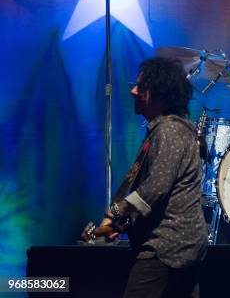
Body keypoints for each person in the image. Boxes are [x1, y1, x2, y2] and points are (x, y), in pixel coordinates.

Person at [82, 57, 206, 298]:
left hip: (168, 245)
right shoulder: (166, 130)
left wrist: (114, 214)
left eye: (140, 87)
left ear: (157, 95)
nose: (132, 91)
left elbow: (155, 189)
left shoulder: (170, 130)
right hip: (181, 242)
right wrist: (124, 224)